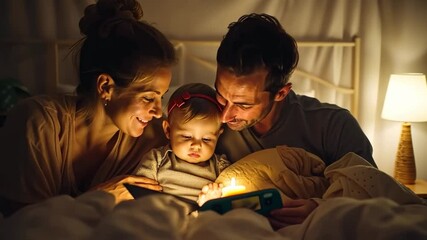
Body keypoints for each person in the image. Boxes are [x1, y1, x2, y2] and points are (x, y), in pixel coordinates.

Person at [0, 0, 176, 217]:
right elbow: (24, 225)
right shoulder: (36, 124)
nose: (158, 111)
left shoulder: (154, 140)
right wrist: (101, 196)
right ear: (106, 87)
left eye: (161, 96)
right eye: (149, 97)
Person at [214, 13, 376, 229]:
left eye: (243, 105)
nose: (224, 116)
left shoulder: (334, 125)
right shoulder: (201, 116)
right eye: (221, 96)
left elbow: (372, 195)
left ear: (281, 93)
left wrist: (322, 209)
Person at [133, 83, 229, 206]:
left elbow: (232, 197)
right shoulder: (156, 160)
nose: (196, 145)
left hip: (202, 219)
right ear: (168, 130)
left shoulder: (220, 167)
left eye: (206, 139)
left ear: (218, 136)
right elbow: (139, 194)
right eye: (187, 137)